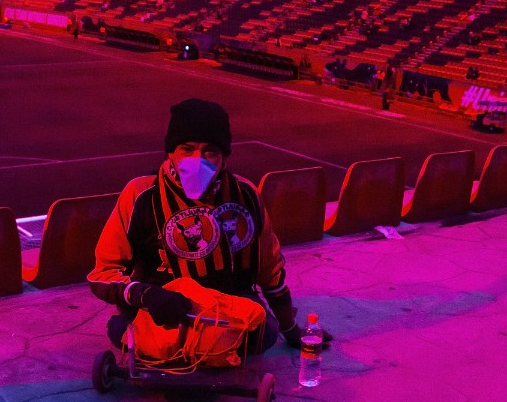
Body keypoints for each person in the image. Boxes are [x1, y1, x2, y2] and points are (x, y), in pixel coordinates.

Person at [88, 98, 331, 355]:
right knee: (158, 339)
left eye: (210, 152)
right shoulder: (140, 193)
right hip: (165, 306)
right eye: (187, 149)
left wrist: (290, 329)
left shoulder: (245, 194)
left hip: (227, 305)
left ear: (224, 157)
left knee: (264, 334)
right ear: (171, 152)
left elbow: (270, 270)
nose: (197, 160)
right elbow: (102, 274)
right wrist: (146, 295)